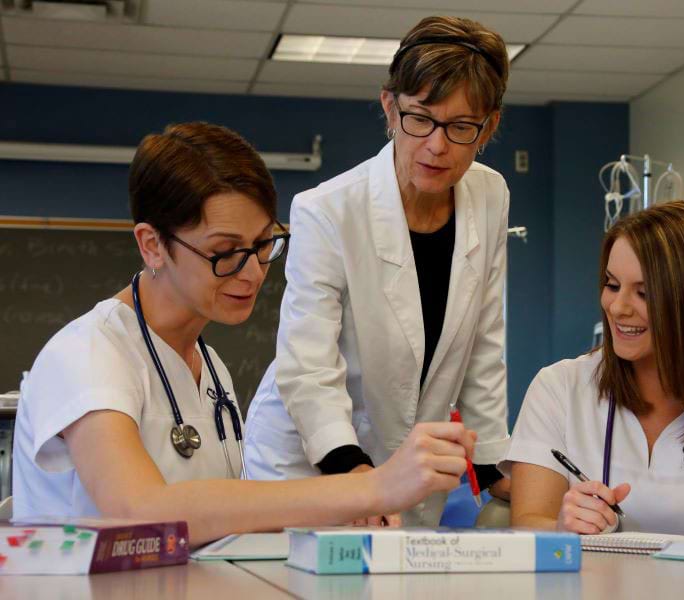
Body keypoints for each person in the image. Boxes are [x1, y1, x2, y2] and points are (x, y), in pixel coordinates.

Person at [12, 122, 477, 547]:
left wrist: (340, 516)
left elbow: (218, 519)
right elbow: (140, 510)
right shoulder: (88, 353)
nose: (252, 272)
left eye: (261, 245)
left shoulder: (208, 367)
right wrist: (369, 488)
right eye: (224, 252)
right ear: (152, 245)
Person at [244, 16, 512, 526]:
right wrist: (351, 471)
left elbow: (485, 339)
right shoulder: (327, 209)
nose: (437, 145)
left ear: (489, 127)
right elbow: (309, 365)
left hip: (409, 462)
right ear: (390, 107)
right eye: (420, 118)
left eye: (461, 127)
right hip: (311, 459)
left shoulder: (490, 194)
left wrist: (490, 461)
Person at [502, 201, 684, 536]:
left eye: (643, 293)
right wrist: (562, 527)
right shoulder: (559, 388)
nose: (618, 307)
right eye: (612, 285)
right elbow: (526, 525)